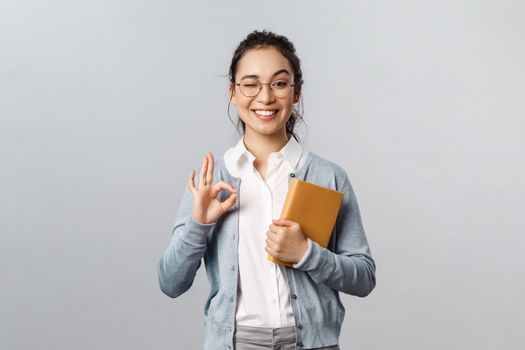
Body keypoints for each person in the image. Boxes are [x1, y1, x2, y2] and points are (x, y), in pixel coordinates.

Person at [157, 30, 376, 350]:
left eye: (279, 83)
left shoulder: (327, 176)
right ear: (232, 91)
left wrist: (307, 255)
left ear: (296, 91)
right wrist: (199, 225)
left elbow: (364, 276)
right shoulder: (213, 179)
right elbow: (170, 283)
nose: (265, 97)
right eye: (250, 84)